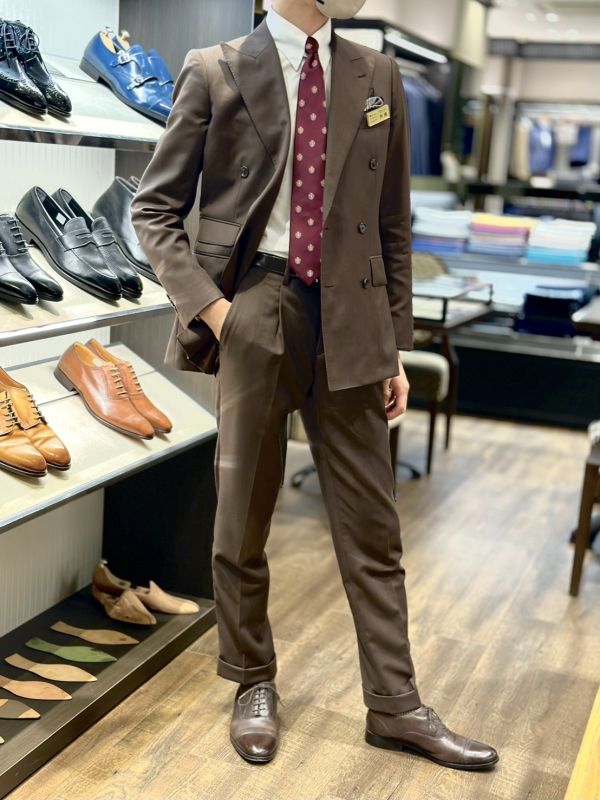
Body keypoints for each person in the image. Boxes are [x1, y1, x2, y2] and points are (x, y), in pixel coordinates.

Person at [131, 0, 499, 771]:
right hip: (258, 305)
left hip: (354, 318)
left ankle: (395, 704)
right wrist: (218, 314)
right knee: (242, 515)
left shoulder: (379, 76)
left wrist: (394, 346)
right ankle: (252, 680)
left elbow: (393, 223)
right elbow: (154, 210)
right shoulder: (215, 69)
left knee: (374, 524)